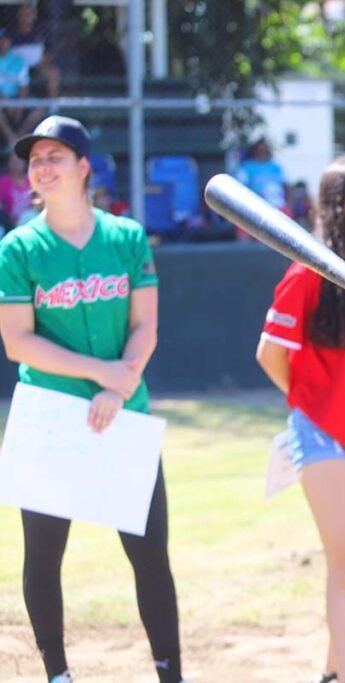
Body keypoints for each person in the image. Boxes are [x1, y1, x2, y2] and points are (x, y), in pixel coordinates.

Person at [0, 116, 185, 683]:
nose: (43, 166)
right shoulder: (18, 247)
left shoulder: (125, 238)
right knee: (44, 555)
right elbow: (17, 342)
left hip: (123, 413)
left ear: (84, 168)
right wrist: (107, 374)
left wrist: (118, 382)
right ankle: (58, 673)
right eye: (35, 159)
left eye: (56, 155)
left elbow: (145, 325)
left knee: (149, 552)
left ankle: (170, 673)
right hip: (50, 413)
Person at [255, 156, 345, 683]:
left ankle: (331, 670)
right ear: (337, 208)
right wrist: (309, 405)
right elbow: (270, 354)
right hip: (323, 433)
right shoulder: (309, 272)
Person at [235, 137, 287, 210]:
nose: (262, 152)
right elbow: (240, 186)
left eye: (264, 149)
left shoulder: (275, 167)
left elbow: (286, 185)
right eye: (260, 149)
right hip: (257, 205)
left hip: (277, 205)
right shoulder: (246, 167)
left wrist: (289, 206)